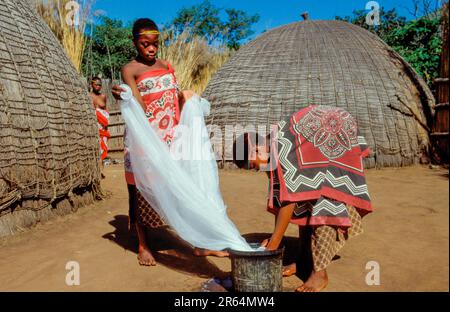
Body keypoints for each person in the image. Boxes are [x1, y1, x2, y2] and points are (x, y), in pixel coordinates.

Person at [112, 18, 227, 267]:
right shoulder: (130, 69)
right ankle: (144, 245)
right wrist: (125, 96)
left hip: (173, 135)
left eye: (154, 44)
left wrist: (189, 101)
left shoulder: (167, 65)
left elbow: (175, 98)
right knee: (142, 189)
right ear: (135, 43)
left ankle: (200, 242)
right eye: (145, 44)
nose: (151, 49)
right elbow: (138, 103)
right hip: (145, 137)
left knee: (184, 187)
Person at [233, 104, 373, 292]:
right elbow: (283, 196)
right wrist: (275, 236)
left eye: (253, 166)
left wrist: (274, 243)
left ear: (256, 150)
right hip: (324, 134)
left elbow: (288, 201)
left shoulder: (281, 152)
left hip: (335, 137)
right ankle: (304, 261)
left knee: (325, 204)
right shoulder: (272, 148)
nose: (256, 170)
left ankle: (319, 273)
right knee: (306, 202)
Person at [89, 77, 110, 176]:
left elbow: (105, 111)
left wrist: (105, 123)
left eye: (100, 84)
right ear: (91, 85)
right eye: (96, 84)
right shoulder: (88, 96)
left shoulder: (103, 96)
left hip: (103, 127)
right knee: (94, 148)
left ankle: (100, 170)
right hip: (93, 126)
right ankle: (93, 170)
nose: (98, 86)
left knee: (102, 148)